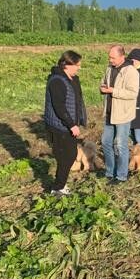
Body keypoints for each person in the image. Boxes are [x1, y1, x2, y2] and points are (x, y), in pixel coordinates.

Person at [43, 50, 87, 196]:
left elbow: (77, 100)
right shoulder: (57, 81)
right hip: (59, 126)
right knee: (67, 155)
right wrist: (71, 124)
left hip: (69, 124)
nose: (79, 68)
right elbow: (59, 106)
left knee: (68, 155)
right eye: (77, 65)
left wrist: (80, 119)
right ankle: (57, 187)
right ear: (67, 64)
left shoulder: (74, 79)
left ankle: (59, 185)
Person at [100, 44, 140, 184]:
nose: (110, 60)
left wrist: (113, 91)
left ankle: (122, 176)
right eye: (109, 57)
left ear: (122, 56)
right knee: (105, 142)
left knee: (120, 144)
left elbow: (133, 93)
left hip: (123, 114)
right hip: (109, 113)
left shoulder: (131, 72)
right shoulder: (109, 69)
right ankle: (110, 172)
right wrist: (103, 88)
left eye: (113, 57)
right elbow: (104, 83)